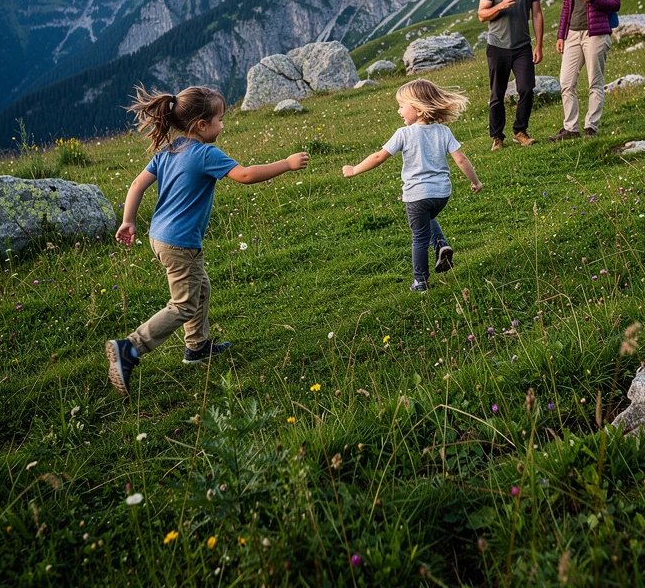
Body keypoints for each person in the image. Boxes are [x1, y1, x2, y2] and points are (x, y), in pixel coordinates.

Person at [106, 85, 309, 394]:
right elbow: (245, 175)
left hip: (160, 237)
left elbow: (137, 184)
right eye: (220, 119)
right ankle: (131, 348)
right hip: (180, 242)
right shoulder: (204, 153)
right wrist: (287, 164)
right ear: (202, 125)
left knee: (201, 287)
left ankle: (197, 347)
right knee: (184, 304)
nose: (223, 124)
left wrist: (128, 220)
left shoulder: (169, 150)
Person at [342, 79, 481, 292]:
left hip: (417, 195)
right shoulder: (443, 131)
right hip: (441, 195)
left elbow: (379, 156)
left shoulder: (404, 134)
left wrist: (354, 169)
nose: (398, 111)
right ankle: (441, 244)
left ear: (417, 108)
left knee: (418, 238)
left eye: (401, 106)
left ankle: (420, 281)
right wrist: (476, 182)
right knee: (429, 218)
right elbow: (461, 159)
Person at [548, 0, 621, 141]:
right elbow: (566, 7)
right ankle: (571, 128)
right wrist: (561, 35)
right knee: (566, 81)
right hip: (573, 33)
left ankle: (591, 127)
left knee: (594, 82)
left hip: (596, 33)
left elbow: (616, 4)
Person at [478, 0, 544, 150]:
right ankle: (497, 137)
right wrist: (501, 5)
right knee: (497, 93)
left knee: (526, 87)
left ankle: (519, 131)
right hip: (497, 46)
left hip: (522, 45)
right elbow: (481, 15)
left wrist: (539, 45)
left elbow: (537, 14)